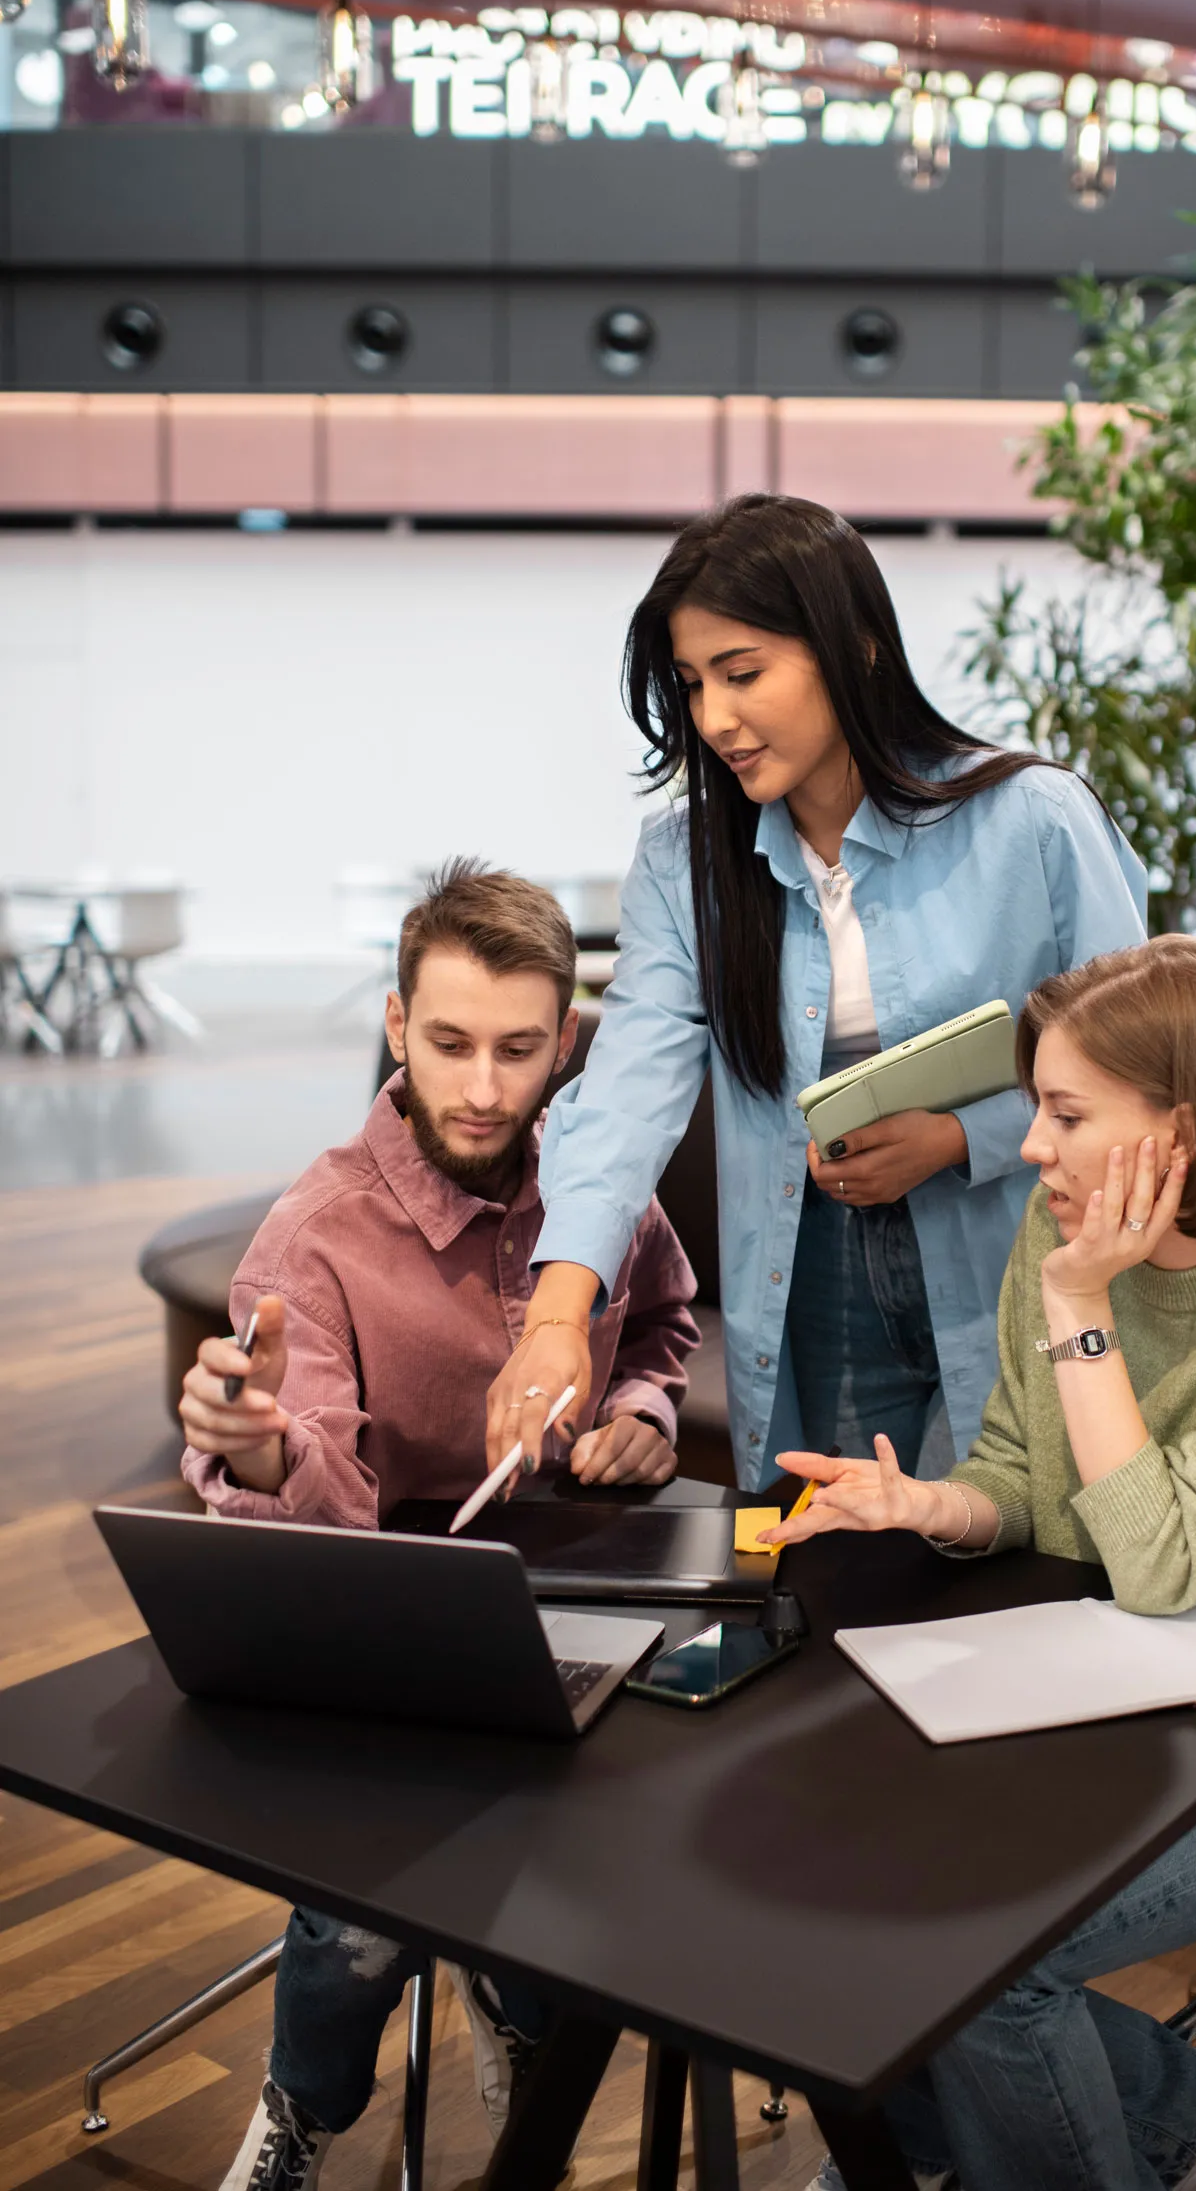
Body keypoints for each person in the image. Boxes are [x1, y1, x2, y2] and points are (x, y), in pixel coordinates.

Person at [767, 934, 1196, 2191]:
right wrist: (928, 1504)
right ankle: (1126, 2126)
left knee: (991, 1965)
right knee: (859, 1880)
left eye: (1066, 1115)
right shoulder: (1059, 1219)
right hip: (1115, 1686)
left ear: (1177, 1132)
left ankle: (1118, 2136)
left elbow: (1164, 1562)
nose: (1030, 1150)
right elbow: (1026, 1477)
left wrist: (1083, 1308)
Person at [179, 859, 699, 2190]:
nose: (482, 1086)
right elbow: (319, 1514)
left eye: (520, 1049)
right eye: (451, 1042)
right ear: (398, 1022)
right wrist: (264, 1451)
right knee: (367, 1885)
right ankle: (305, 2103)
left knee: (593, 1832)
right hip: (382, 1616)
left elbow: (656, 1317)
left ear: (565, 1044)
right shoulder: (318, 1234)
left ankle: (522, 2016)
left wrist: (643, 1400)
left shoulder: (594, 1185)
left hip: (564, 1599)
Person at [485, 493, 1147, 1495]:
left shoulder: (1034, 823)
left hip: (1029, 1257)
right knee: (846, 1577)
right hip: (815, 1277)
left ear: (858, 648)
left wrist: (960, 1139)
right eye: (691, 683)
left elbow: (1141, 1071)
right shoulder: (686, 866)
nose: (714, 719)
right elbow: (623, 1097)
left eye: (743, 673)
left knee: (1018, 1562)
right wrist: (554, 1321)